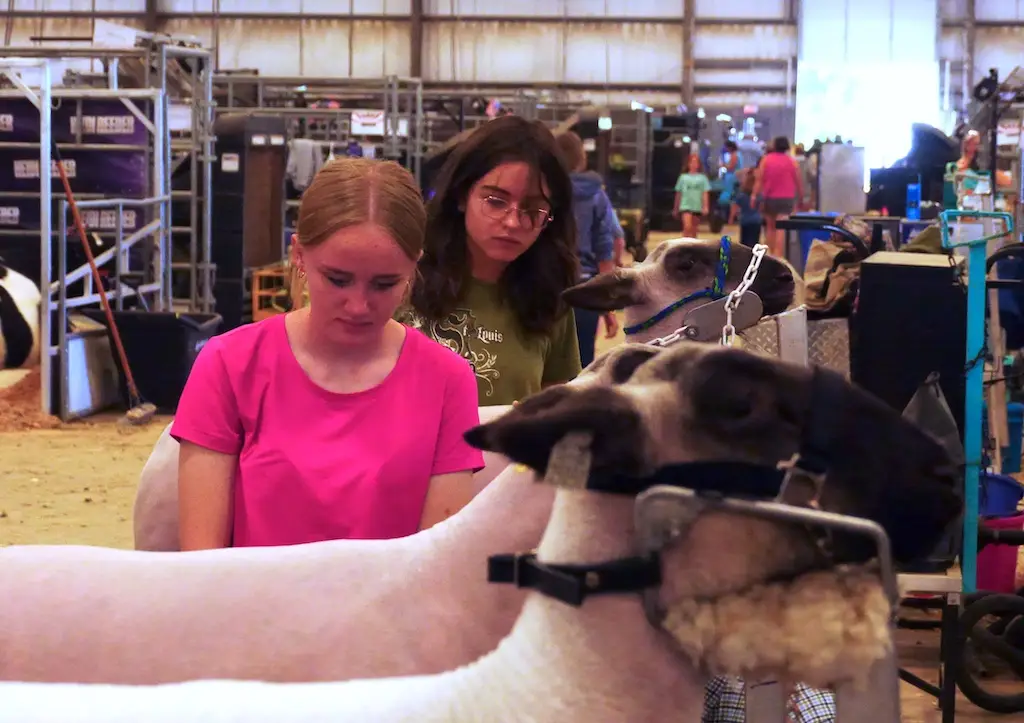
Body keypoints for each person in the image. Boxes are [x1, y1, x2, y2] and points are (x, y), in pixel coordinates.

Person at [172, 158, 484, 550]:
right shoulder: (230, 364)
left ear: (414, 266)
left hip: (392, 610)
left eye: (385, 284)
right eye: (337, 279)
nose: (358, 305)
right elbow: (202, 562)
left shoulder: (447, 381)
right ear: (299, 255)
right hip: (253, 608)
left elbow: (437, 563)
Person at [408, 115, 582, 404]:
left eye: (532, 210)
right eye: (495, 201)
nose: (512, 222)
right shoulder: (404, 275)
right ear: (462, 195)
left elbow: (552, 407)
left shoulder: (552, 297)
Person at [554, 130, 620, 368]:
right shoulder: (597, 195)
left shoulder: (544, 190)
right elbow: (605, 249)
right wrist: (607, 306)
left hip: (546, 286)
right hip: (584, 287)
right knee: (581, 364)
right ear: (581, 158)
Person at [752, 135, 803, 257]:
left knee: (770, 227)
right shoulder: (792, 161)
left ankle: (770, 254)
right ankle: (779, 255)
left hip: (770, 198)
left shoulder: (766, 159)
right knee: (781, 228)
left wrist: (754, 195)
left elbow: (760, 180)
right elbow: (798, 182)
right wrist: (800, 198)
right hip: (786, 199)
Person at [673, 153, 710, 237]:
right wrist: (676, 207)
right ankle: (684, 246)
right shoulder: (683, 177)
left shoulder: (702, 178)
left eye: (695, 162)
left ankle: (693, 247)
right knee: (687, 227)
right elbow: (678, 193)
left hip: (697, 206)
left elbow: (705, 193)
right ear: (688, 164)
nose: (693, 164)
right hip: (685, 205)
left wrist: (705, 206)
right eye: (692, 162)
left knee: (694, 230)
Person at [730, 170, 762, 249]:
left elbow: (735, 206)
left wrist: (731, 218)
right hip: (756, 221)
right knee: (755, 242)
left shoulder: (741, 195)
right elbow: (762, 207)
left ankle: (745, 257)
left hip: (745, 220)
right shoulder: (759, 196)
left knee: (744, 243)